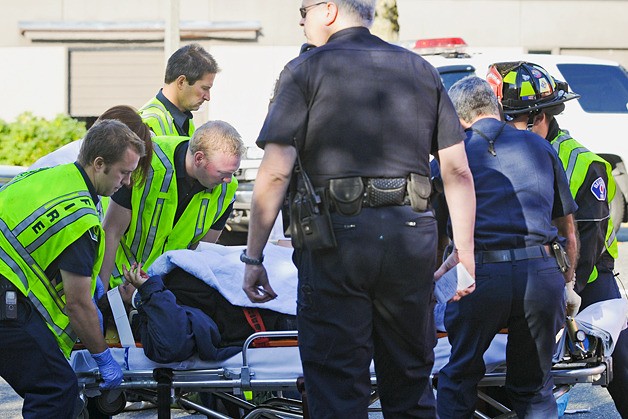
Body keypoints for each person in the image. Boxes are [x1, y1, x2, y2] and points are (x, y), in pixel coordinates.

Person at [241, 1, 476, 417]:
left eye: (304, 10)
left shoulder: (306, 71)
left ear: (328, 9)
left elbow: (276, 173)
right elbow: (457, 171)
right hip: (410, 239)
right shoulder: (421, 70)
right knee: (410, 383)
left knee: (336, 386)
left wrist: (254, 256)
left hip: (335, 246)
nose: (300, 20)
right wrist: (465, 253)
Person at [433, 75, 578, 418]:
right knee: (534, 387)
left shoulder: (451, 156)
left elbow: (437, 236)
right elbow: (568, 229)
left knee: (459, 378)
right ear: (496, 107)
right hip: (541, 275)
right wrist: (568, 282)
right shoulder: (541, 146)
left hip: (480, 277)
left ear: (458, 118)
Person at [489, 61, 628, 418]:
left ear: (540, 118)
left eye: (514, 120)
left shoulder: (583, 164)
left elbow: (585, 243)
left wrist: (565, 291)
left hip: (589, 283)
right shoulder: (509, 154)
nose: (508, 129)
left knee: (620, 364)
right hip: (534, 279)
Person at [0, 120, 146, 417]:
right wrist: (102, 357)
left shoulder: (51, 176)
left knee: (62, 393)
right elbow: (77, 304)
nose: (127, 182)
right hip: (5, 297)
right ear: (99, 163)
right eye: (124, 172)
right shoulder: (79, 218)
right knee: (55, 388)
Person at [100, 120, 245, 288]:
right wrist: (101, 293)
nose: (228, 180)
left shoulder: (226, 189)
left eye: (232, 173)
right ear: (199, 158)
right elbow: (112, 232)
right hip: (119, 280)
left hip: (164, 289)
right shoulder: (147, 162)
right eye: (223, 172)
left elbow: (200, 254)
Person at [140, 43, 219, 137]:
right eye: (204, 88)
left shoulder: (185, 120)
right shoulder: (144, 124)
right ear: (181, 82)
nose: (207, 97)